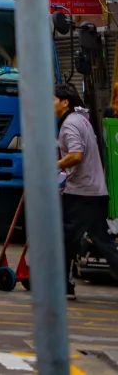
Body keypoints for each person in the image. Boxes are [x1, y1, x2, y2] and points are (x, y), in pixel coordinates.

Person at [55, 82, 118, 298]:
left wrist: (53, 166)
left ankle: (65, 286)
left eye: (53, 100)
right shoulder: (81, 119)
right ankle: (66, 286)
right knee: (103, 242)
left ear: (65, 102)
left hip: (81, 194)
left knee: (66, 239)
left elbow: (76, 155)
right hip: (95, 192)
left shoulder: (70, 124)